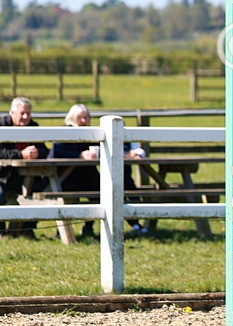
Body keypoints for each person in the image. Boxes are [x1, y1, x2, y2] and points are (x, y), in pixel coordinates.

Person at [50, 104, 148, 238]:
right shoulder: (65, 132)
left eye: (86, 118)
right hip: (65, 176)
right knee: (70, 195)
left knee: (102, 191)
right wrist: (79, 155)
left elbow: (107, 148)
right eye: (80, 118)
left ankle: (89, 227)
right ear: (72, 118)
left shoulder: (93, 133)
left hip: (87, 174)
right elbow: (56, 152)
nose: (84, 121)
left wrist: (127, 154)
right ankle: (61, 232)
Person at [0, 97, 49, 237]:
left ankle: (26, 229)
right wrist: (21, 154)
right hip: (3, 176)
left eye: (28, 113)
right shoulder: (2, 126)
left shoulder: (33, 126)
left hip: (28, 177)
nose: (26, 117)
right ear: (12, 113)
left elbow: (45, 150)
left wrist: (37, 153)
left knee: (46, 193)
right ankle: (2, 231)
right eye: (22, 113)